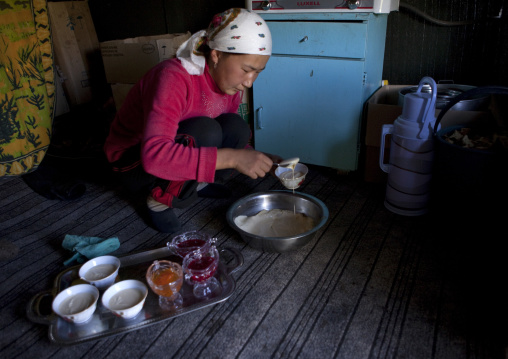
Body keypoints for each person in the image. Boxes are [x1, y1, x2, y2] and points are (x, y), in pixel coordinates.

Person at [104, 8, 280, 233]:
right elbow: (154, 157)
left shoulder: (232, 85)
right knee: (206, 131)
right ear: (216, 55)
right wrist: (233, 158)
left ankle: (197, 184)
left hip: (182, 141)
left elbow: (229, 139)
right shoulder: (173, 78)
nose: (250, 82)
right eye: (247, 70)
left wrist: (263, 158)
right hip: (132, 162)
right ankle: (159, 201)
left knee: (236, 127)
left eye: (258, 72)